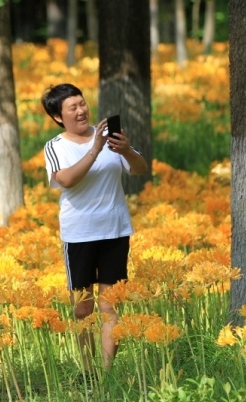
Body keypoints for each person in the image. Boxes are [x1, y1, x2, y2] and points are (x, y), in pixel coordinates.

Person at [41, 83, 149, 376]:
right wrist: (95, 149)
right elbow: (66, 180)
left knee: (110, 306)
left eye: (82, 103)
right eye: (72, 107)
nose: (81, 111)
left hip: (115, 231)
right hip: (79, 236)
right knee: (82, 309)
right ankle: (87, 371)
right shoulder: (55, 147)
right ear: (58, 117)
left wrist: (125, 149)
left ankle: (106, 375)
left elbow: (139, 169)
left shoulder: (108, 139)